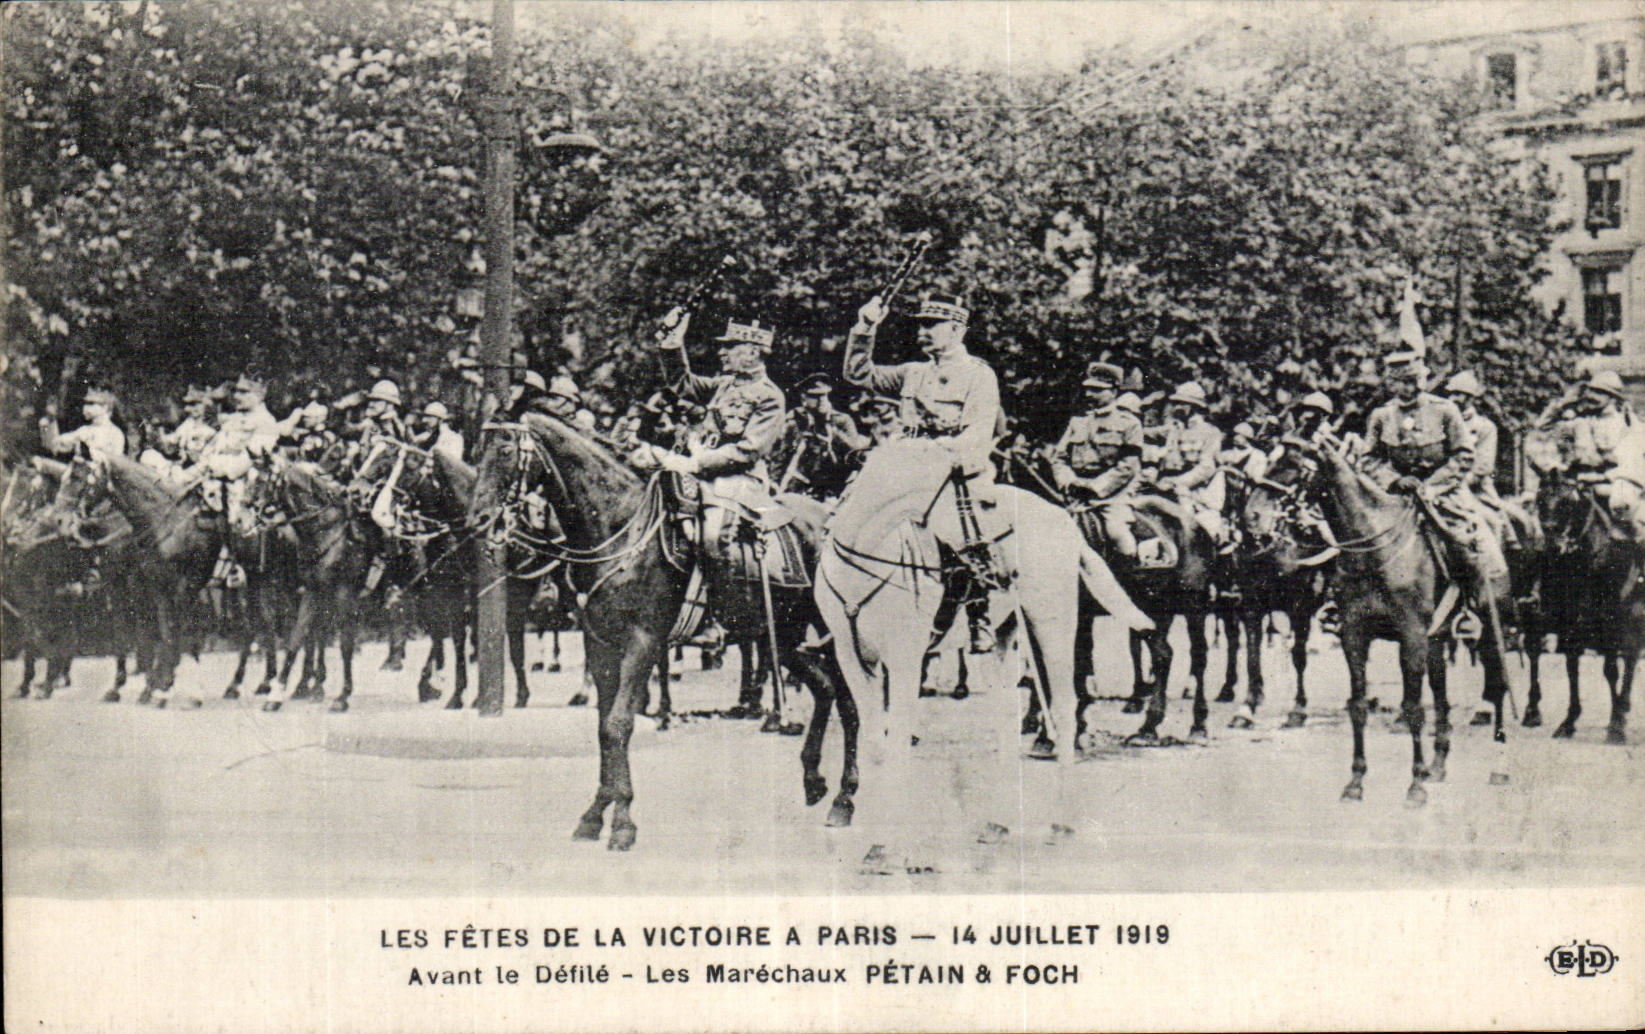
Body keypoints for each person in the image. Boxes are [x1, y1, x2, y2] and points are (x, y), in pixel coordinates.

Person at [843, 291, 1004, 652]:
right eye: (921, 325)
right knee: (848, 508)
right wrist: (866, 326)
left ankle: (979, 612)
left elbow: (977, 435)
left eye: (932, 325)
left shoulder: (978, 375)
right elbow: (858, 374)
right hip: (905, 470)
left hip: (956, 471)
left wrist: (926, 455)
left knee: (961, 531)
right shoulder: (912, 373)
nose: (924, 331)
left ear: (957, 330)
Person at [1360, 349, 1506, 587]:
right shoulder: (1381, 416)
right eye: (1405, 383)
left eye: (1417, 382)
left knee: (1473, 546)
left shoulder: (1445, 410)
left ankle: (1479, 603)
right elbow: (1368, 460)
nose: (1413, 389)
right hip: (1396, 496)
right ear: (1392, 385)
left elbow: (1464, 454)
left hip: (1444, 493)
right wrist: (1394, 481)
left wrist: (1433, 486)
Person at [1050, 360, 1143, 559]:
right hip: (1074, 495)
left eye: (1097, 390)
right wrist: (1068, 482)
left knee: (1119, 536)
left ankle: (1132, 582)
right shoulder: (1078, 422)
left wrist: (1095, 487)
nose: (1089, 395)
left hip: (1112, 497)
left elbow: (1129, 466)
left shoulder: (1129, 424)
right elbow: (1059, 458)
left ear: (1114, 391)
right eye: (1088, 389)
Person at [1156, 380, 1228, 547]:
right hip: (1166, 486)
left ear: (1194, 407)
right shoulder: (1174, 430)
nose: (1175, 408)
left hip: (1197, 492)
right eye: (1175, 403)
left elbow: (1206, 468)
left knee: (1199, 532)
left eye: (1181, 404)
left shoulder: (1210, 432)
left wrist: (1176, 482)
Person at [39, 387, 127, 460]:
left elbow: (116, 465)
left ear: (105, 407)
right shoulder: (84, 430)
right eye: (85, 403)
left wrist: (90, 452)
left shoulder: (115, 434)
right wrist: (50, 421)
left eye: (91, 403)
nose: (85, 407)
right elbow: (55, 444)